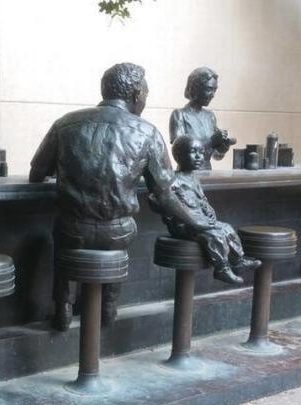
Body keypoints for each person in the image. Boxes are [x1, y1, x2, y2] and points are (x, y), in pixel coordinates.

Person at [30, 62, 206, 331]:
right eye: (145, 94)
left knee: (65, 236)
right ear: (136, 94)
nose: (145, 100)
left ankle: (63, 307)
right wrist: (197, 222)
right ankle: (108, 307)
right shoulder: (147, 133)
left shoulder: (65, 124)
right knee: (120, 237)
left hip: (72, 228)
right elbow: (165, 195)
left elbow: (36, 172)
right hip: (117, 231)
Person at [150, 135, 259, 284]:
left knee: (227, 228)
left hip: (201, 221)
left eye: (201, 152)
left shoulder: (193, 178)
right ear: (178, 155)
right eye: (193, 152)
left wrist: (209, 211)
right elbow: (157, 200)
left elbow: (202, 200)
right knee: (215, 236)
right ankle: (222, 269)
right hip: (183, 226)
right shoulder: (172, 180)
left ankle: (238, 260)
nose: (198, 156)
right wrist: (172, 215)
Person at [168, 67, 236, 170]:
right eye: (209, 89)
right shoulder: (179, 115)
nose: (212, 95)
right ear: (195, 88)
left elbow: (215, 156)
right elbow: (180, 152)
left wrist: (223, 148)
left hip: (208, 174)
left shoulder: (210, 117)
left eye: (214, 90)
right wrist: (211, 141)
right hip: (187, 174)